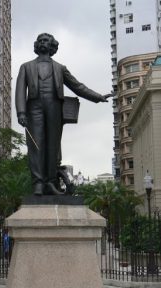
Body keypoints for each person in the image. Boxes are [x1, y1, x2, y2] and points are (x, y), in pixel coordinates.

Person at [15, 33, 111, 196]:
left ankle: (51, 182)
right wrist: (21, 112)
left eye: (46, 41)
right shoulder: (26, 66)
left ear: (52, 46)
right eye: (40, 41)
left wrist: (98, 97)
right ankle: (38, 183)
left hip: (54, 107)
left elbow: (78, 86)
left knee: (53, 146)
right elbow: (19, 91)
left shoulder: (60, 68)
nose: (43, 43)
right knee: (36, 146)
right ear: (36, 45)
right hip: (34, 108)